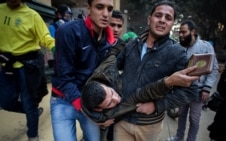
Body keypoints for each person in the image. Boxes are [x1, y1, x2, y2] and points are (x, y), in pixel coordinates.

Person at [111, 1, 199, 141]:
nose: (162, 20)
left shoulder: (177, 52)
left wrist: (157, 105)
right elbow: (113, 69)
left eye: (168, 18)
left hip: (149, 126)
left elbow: (191, 90)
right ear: (149, 19)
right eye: (158, 15)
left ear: (172, 24)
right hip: (123, 119)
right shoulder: (132, 44)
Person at [50, 0, 116, 141]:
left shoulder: (109, 42)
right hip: (63, 100)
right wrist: (88, 111)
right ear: (88, 9)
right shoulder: (68, 31)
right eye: (99, 7)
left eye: (109, 9)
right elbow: (64, 77)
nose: (105, 14)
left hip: (90, 102)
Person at [0, 0, 55, 141]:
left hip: (28, 66)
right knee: (5, 102)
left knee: (28, 102)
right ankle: (33, 112)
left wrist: (59, 49)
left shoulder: (32, 16)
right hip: (7, 64)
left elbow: (46, 38)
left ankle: (33, 136)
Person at [168, 20, 219, 141]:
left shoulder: (205, 46)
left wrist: (207, 88)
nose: (180, 35)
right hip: (182, 90)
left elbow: (214, 68)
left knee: (194, 119)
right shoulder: (178, 47)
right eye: (179, 32)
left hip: (199, 91)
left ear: (193, 31)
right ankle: (178, 137)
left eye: (184, 32)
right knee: (181, 115)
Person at [106, 9, 125, 141]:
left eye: (119, 26)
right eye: (112, 25)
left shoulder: (125, 46)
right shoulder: (99, 43)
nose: (116, 29)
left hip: (115, 93)